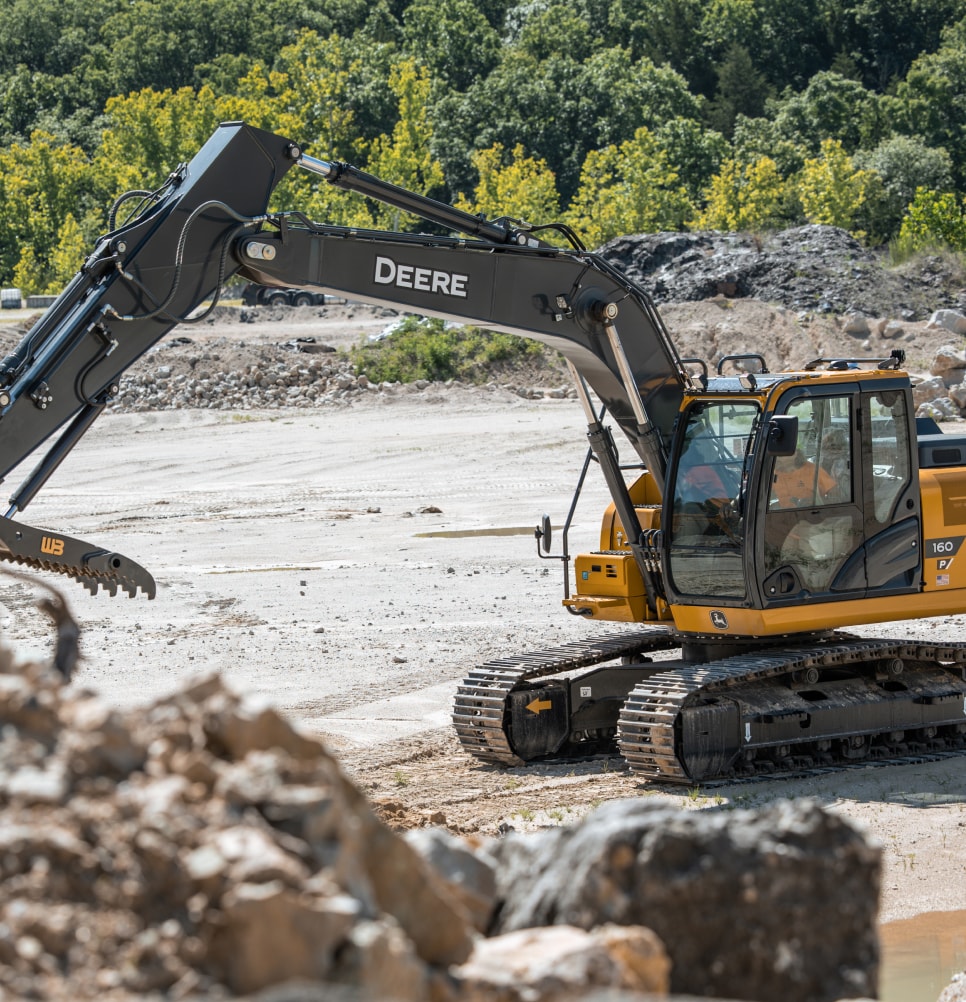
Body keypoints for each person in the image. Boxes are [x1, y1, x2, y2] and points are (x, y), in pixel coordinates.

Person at [770, 449, 836, 508]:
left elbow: (834, 493)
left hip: (811, 516)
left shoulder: (813, 470)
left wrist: (816, 502)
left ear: (794, 454)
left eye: (780, 455)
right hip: (785, 516)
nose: (776, 457)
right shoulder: (774, 474)